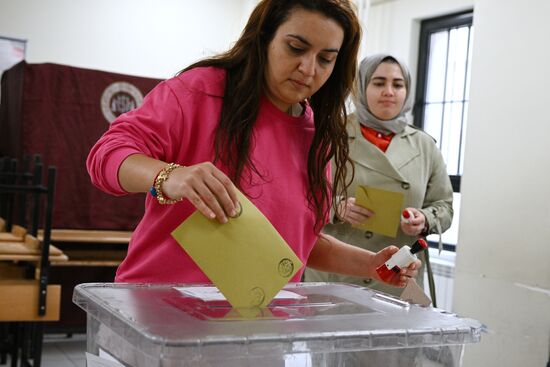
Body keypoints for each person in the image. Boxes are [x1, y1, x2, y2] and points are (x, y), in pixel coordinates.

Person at [87, 1, 419, 290]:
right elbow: (106, 157)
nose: (308, 69)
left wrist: (372, 264)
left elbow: (298, 243)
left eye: (326, 59)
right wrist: (169, 176)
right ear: (264, 38)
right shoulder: (202, 92)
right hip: (160, 314)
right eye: (295, 48)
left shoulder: (317, 137)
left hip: (251, 331)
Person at [304, 53, 453, 296]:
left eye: (398, 84)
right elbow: (301, 195)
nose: (389, 91)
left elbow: (444, 205)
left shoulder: (425, 145)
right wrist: (335, 207)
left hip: (399, 273)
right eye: (379, 82)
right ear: (361, 87)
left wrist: (424, 219)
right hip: (338, 274)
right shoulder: (332, 135)